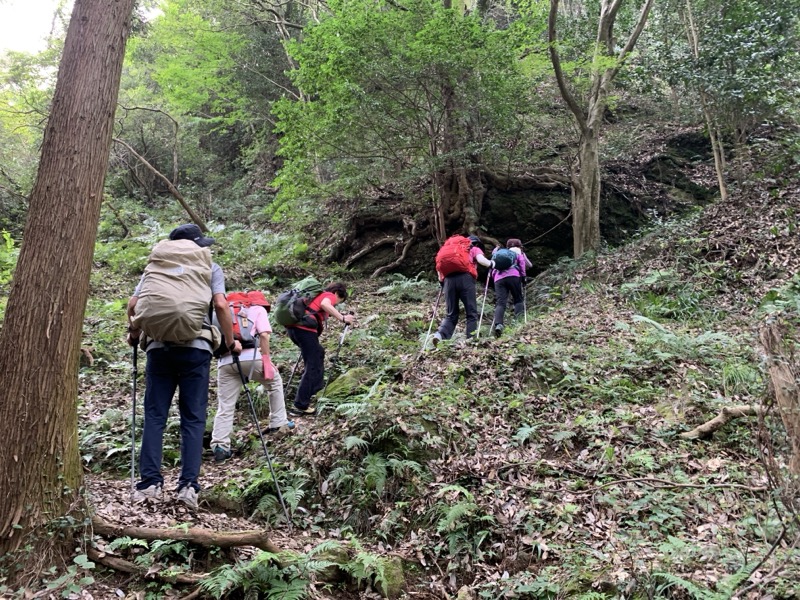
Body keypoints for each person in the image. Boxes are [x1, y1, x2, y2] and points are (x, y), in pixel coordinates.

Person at [127, 223, 241, 510]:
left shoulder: (156, 268)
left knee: (155, 416)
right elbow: (221, 306)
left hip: (158, 348)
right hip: (196, 348)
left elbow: (133, 305)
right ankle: (188, 487)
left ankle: (149, 483)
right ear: (194, 245)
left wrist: (134, 333)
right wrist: (230, 342)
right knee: (193, 419)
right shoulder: (210, 267)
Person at [211, 299, 295, 463]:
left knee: (226, 404)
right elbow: (263, 335)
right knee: (274, 383)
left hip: (225, 362)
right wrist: (267, 360)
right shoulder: (257, 309)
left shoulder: (224, 311)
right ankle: (278, 422)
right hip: (251, 357)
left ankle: (220, 446)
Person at [285, 282, 355, 416]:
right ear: (337, 294)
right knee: (313, 364)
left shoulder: (314, 297)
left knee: (319, 353)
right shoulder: (328, 295)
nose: (336, 303)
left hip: (294, 330)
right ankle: (300, 405)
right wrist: (343, 318)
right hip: (304, 331)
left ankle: (316, 387)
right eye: (339, 300)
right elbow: (325, 304)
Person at [432, 235, 492, 345]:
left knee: (451, 314)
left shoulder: (452, 250)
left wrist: (442, 282)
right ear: (476, 243)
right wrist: (492, 263)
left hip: (448, 281)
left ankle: (440, 335)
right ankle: (471, 340)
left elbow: (439, 269)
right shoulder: (473, 248)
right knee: (471, 312)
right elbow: (482, 260)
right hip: (465, 279)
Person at [491, 238, 533, 337]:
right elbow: (524, 264)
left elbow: (492, 265)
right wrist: (523, 277)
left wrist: (495, 278)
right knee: (518, 299)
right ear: (519, 246)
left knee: (500, 302)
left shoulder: (498, 252)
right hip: (514, 276)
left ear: (507, 246)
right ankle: (518, 322)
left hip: (498, 278)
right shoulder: (519, 252)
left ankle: (499, 324)